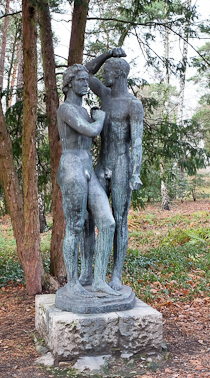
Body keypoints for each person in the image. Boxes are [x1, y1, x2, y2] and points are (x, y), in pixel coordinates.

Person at [80, 48, 144, 291]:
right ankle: (88, 273)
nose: (104, 74)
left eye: (108, 71)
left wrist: (135, 172)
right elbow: (84, 72)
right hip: (102, 164)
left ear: (118, 75)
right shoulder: (105, 95)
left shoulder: (132, 105)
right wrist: (107, 55)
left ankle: (115, 275)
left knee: (119, 220)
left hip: (121, 166)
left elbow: (136, 141)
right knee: (88, 215)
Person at [57, 64, 121, 298]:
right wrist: (101, 118)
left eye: (87, 80)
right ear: (70, 83)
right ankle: (72, 282)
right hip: (72, 168)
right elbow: (90, 131)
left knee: (107, 222)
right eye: (81, 80)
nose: (86, 84)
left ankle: (98, 281)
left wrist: (109, 56)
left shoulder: (84, 110)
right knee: (74, 226)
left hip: (87, 169)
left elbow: (91, 126)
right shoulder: (66, 109)